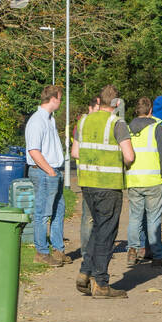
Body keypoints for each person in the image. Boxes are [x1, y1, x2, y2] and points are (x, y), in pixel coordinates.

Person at [71, 85, 134, 299]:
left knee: (97, 229)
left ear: (99, 101)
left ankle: (85, 272)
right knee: (107, 233)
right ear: (117, 103)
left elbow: (75, 152)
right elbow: (130, 156)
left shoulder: (84, 121)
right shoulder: (118, 123)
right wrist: (122, 164)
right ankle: (101, 283)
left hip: (87, 183)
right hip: (108, 185)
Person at [126, 97, 162, 267]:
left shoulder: (127, 128)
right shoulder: (156, 127)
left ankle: (132, 251)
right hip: (153, 180)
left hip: (134, 180)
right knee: (153, 219)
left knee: (135, 218)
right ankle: (158, 255)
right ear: (150, 111)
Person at [25, 85, 66, 266]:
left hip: (53, 170)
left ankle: (58, 249)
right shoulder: (37, 121)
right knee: (42, 213)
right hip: (43, 172)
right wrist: (49, 171)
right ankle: (41, 251)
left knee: (58, 210)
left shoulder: (50, 119)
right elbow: (33, 150)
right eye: (60, 98)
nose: (61, 101)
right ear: (54, 98)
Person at [73, 95, 101, 253]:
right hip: (88, 175)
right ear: (90, 109)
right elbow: (75, 152)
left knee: (93, 216)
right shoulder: (83, 124)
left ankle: (93, 250)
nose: (98, 113)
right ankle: (87, 251)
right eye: (96, 110)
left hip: (95, 175)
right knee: (89, 216)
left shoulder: (89, 124)